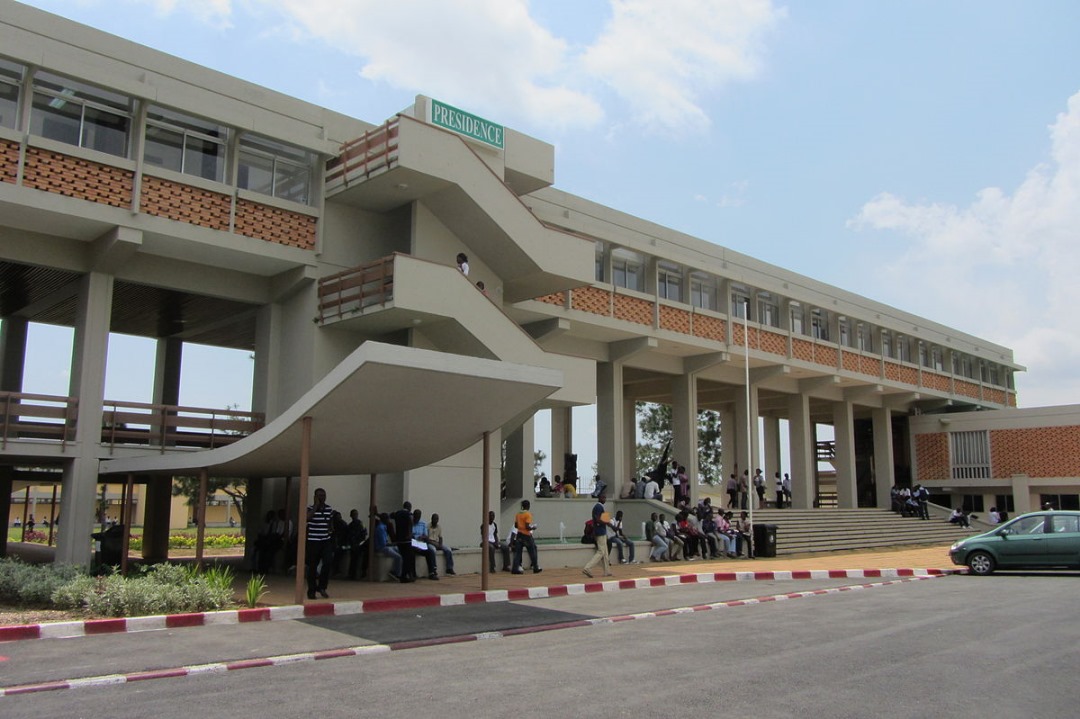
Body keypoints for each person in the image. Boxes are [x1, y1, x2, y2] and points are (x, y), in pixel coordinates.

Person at [305, 488, 334, 599]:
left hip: (325, 540)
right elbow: (307, 518)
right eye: (320, 495)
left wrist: (330, 530)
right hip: (313, 541)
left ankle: (322, 587)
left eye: (323, 495)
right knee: (312, 566)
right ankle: (311, 590)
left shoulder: (329, 509)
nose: (322, 497)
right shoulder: (310, 508)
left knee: (328, 562)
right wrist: (316, 506)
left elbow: (330, 523)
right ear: (315, 497)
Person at [583, 493, 612, 578]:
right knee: (601, 552)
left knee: (605, 553)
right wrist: (607, 522)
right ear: (599, 498)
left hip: (601, 531)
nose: (605, 499)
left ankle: (607, 571)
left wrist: (607, 522)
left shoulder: (600, 507)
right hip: (600, 532)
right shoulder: (598, 507)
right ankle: (587, 568)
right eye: (603, 497)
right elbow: (598, 519)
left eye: (605, 497)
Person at [511, 500, 541, 574]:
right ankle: (535, 567)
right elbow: (527, 527)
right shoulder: (528, 514)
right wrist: (533, 528)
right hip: (526, 535)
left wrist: (521, 527)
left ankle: (515, 568)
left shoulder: (518, 514)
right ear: (528, 506)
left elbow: (516, 525)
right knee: (532, 551)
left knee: (518, 553)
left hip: (519, 535)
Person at [374, 512, 405, 582]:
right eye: (388, 519)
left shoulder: (384, 527)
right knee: (398, 557)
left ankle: (402, 571)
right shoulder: (380, 528)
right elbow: (383, 544)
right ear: (385, 519)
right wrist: (393, 544)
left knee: (399, 549)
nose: (389, 521)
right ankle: (395, 572)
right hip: (381, 548)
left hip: (385, 546)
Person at [411, 508, 440, 580]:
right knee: (411, 553)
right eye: (416, 516)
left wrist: (423, 537)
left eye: (418, 517)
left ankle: (432, 572)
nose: (417, 518)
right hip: (413, 544)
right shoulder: (410, 523)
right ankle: (413, 573)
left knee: (430, 551)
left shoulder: (423, 524)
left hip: (421, 543)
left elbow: (426, 536)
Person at [392, 502, 417, 581]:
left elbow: (388, 516)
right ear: (409, 507)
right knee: (408, 558)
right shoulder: (409, 514)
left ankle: (407, 575)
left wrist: (377, 513)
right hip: (407, 540)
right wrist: (409, 534)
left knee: (404, 557)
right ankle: (405, 576)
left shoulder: (397, 513)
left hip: (399, 539)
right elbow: (410, 523)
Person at [346, 508, 368, 580]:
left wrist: (359, 543)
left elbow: (364, 534)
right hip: (353, 545)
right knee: (353, 558)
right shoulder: (350, 525)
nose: (355, 516)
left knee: (355, 557)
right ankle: (352, 574)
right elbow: (348, 536)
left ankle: (357, 573)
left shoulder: (360, 523)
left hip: (360, 544)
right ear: (351, 515)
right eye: (354, 514)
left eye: (356, 514)